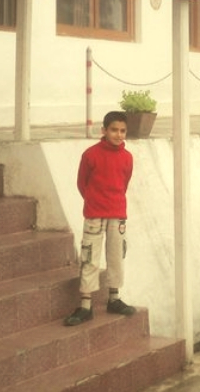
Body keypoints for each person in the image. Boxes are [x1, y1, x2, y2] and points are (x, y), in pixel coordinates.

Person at [64, 110, 138, 326]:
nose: (118, 134)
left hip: (118, 215)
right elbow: (82, 183)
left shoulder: (127, 157)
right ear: (104, 130)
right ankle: (86, 305)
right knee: (90, 257)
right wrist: (94, 202)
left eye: (123, 131)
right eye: (114, 130)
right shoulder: (90, 155)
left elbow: (124, 183)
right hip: (95, 214)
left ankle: (114, 298)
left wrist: (112, 203)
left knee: (116, 256)